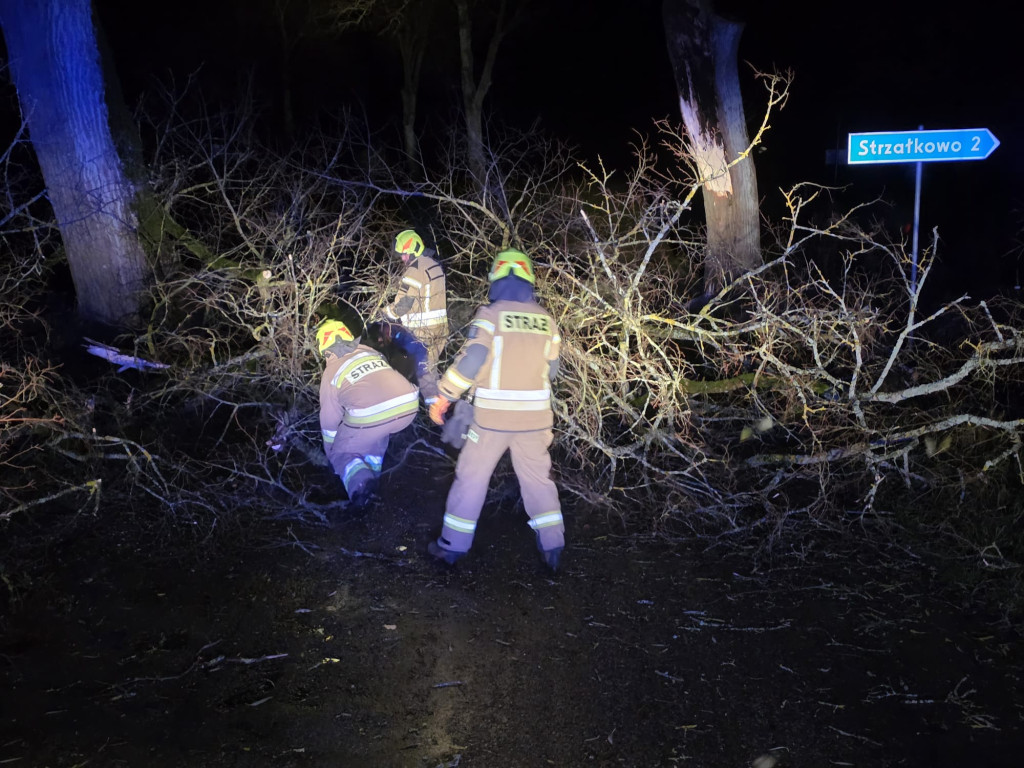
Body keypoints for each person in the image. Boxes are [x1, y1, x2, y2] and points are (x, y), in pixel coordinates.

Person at [426, 248, 565, 572]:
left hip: (491, 422)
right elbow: (554, 370)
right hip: (536, 421)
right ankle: (553, 545)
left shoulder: (490, 315)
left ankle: (452, 548)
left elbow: (473, 360)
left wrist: (445, 394)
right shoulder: (547, 320)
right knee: (538, 481)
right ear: (529, 279)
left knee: (471, 479)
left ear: (497, 278)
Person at [316, 318, 420, 509]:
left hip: (373, 414)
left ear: (325, 347)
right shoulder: (370, 351)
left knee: (342, 452)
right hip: (410, 404)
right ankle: (372, 480)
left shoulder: (331, 372)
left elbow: (329, 420)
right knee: (374, 435)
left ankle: (363, 489)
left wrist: (332, 452)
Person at [382, 229, 448, 404]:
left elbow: (403, 305)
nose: (403, 259)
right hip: (440, 330)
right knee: (430, 371)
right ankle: (443, 403)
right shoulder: (434, 265)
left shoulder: (415, 269)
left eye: (404, 254)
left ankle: (432, 411)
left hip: (422, 332)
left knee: (419, 371)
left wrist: (384, 313)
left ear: (413, 251)